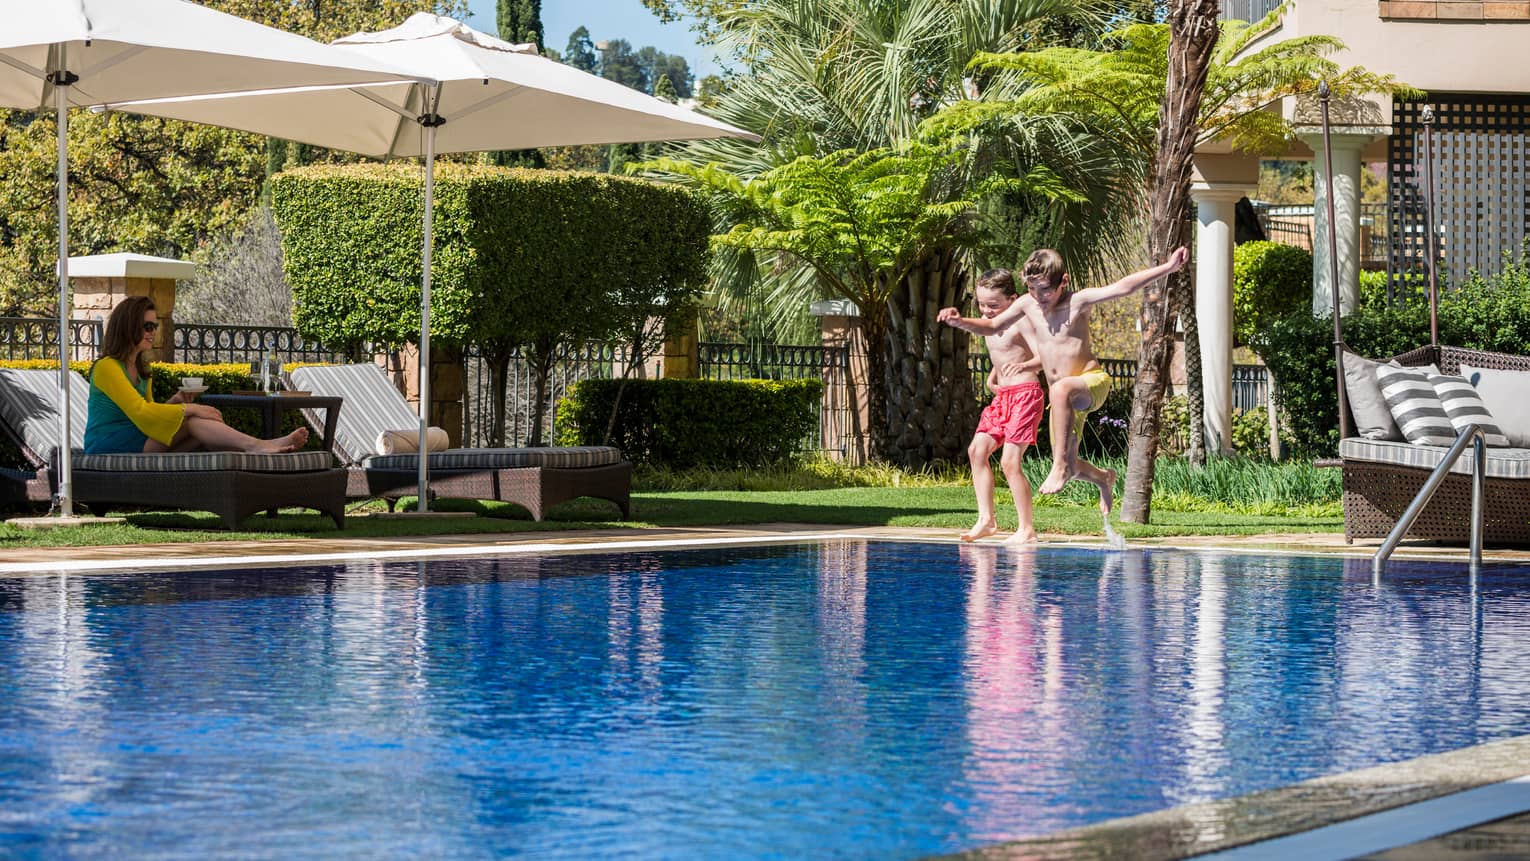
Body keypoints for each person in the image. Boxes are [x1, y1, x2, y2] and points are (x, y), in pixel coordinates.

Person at [939, 246, 1189, 516]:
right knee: (1072, 463)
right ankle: (1103, 478)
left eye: (1046, 289)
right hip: (1065, 403)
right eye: (1033, 289)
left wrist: (1168, 268)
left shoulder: (1078, 302)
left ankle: (1057, 466)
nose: (1039, 296)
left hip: (1090, 382)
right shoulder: (1027, 304)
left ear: (1064, 282)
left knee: (1059, 390)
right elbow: (992, 326)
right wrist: (960, 321)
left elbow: (1122, 287)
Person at [84, 296, 308, 455]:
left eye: (155, 326)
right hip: (108, 442)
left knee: (199, 431)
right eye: (147, 326)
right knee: (193, 420)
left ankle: (250, 459)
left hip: (138, 436)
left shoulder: (143, 371)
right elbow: (141, 413)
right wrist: (191, 408)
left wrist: (174, 403)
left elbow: (151, 413)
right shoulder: (107, 367)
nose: (153, 332)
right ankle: (257, 445)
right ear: (128, 327)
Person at [958, 268, 1045, 543]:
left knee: (1009, 463)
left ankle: (1027, 528)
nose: (987, 310)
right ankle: (987, 520)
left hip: (1026, 395)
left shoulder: (1020, 323)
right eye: (982, 304)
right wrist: (993, 378)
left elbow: (1044, 357)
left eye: (994, 305)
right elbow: (1000, 355)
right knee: (977, 450)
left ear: (1013, 300)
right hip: (1003, 397)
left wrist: (1024, 365)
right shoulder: (988, 324)